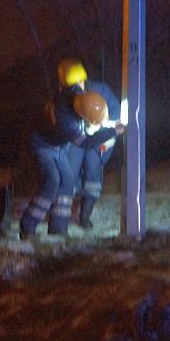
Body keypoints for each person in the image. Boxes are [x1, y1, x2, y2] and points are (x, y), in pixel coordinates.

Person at [18, 73, 125, 240]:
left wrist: (101, 123)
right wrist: (113, 131)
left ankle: (58, 228)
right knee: (52, 181)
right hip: (42, 145)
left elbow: (89, 119)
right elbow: (87, 143)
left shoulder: (79, 95)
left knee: (67, 179)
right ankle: (28, 226)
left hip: (57, 145)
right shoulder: (67, 122)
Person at [58, 61, 122, 229]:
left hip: (98, 137)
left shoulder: (100, 90)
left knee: (93, 173)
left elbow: (116, 114)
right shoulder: (66, 99)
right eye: (71, 86)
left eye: (78, 84)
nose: (76, 89)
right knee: (70, 173)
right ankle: (60, 220)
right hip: (79, 139)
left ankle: (85, 215)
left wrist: (110, 136)